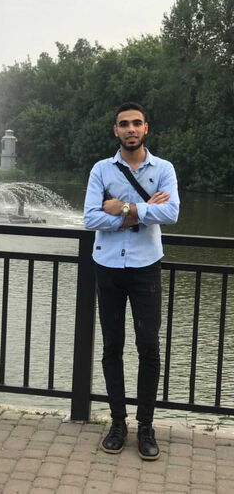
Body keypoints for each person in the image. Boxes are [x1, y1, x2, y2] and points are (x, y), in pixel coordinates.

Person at [83, 101, 179, 460]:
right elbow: (90, 218)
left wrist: (122, 208)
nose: (131, 129)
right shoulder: (101, 170)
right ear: (116, 130)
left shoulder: (164, 169)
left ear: (146, 128)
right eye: (124, 124)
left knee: (148, 347)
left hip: (145, 268)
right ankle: (118, 423)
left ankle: (146, 427)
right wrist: (144, 211)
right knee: (112, 346)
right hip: (107, 266)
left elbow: (171, 212)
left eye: (137, 123)